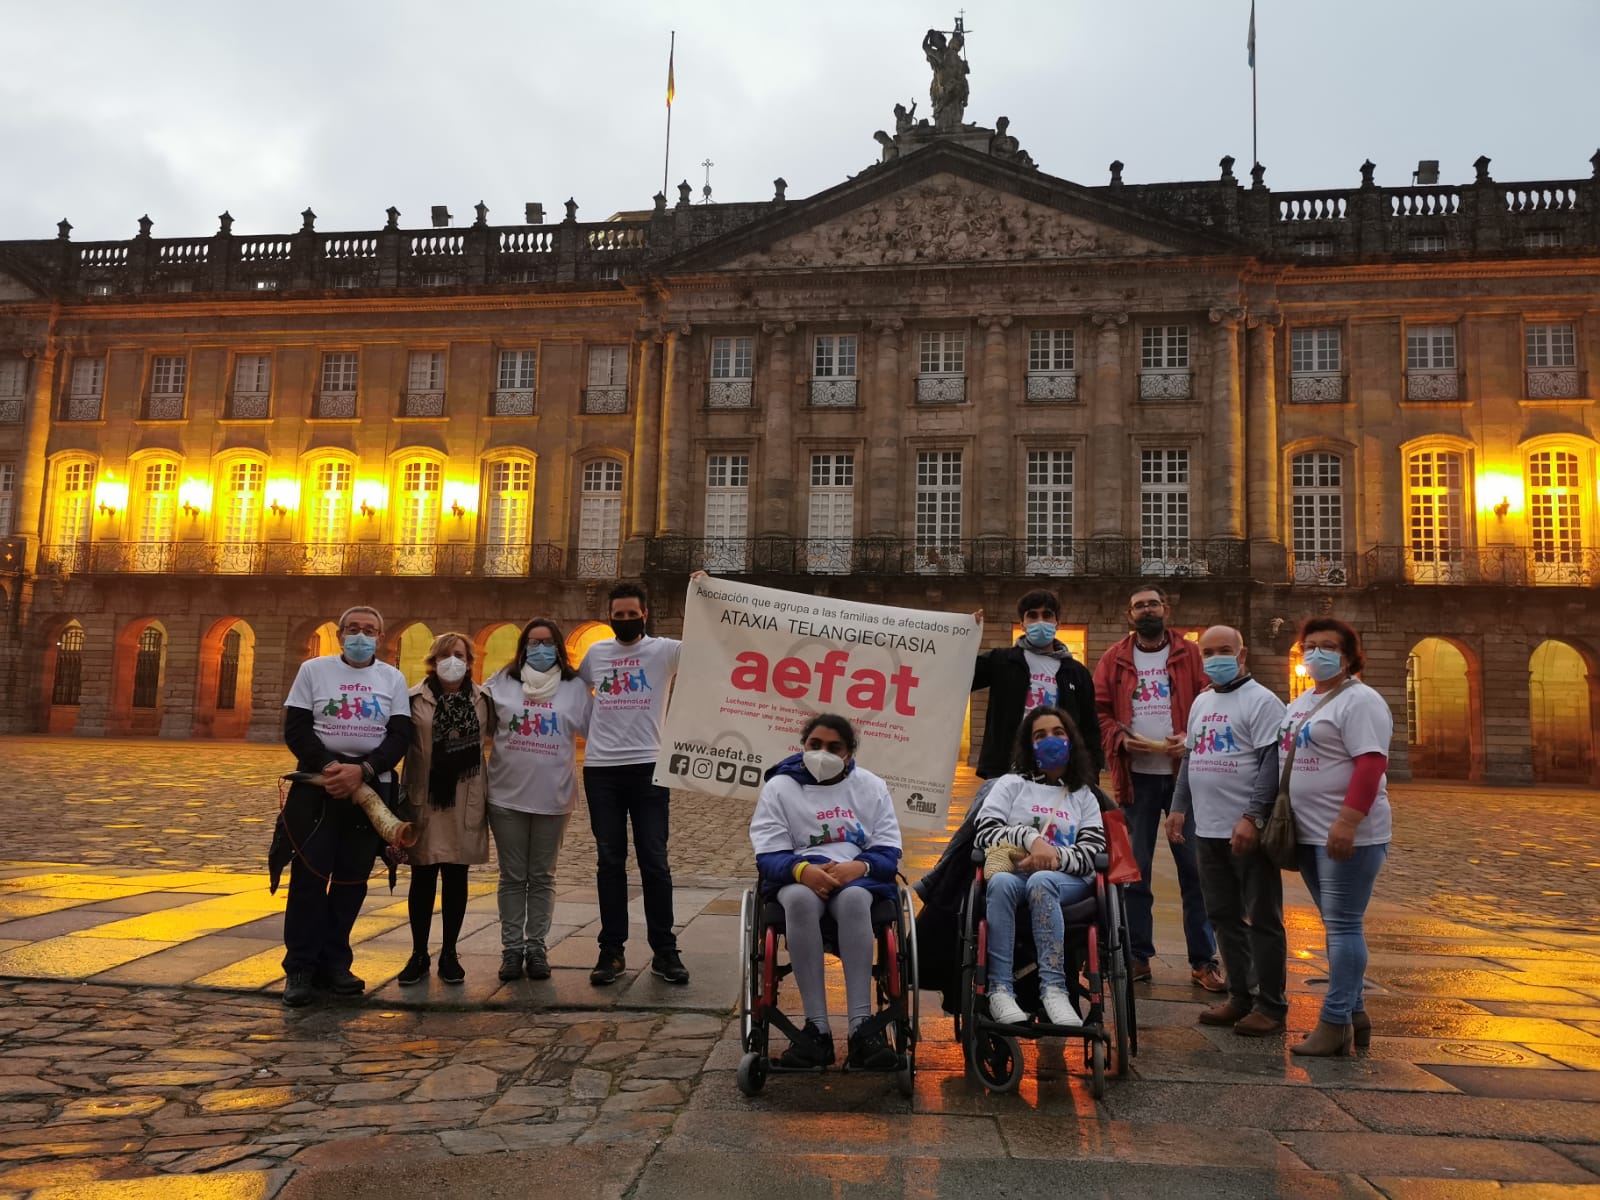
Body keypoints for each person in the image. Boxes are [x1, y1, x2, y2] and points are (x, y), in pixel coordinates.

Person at [750, 713, 903, 1070]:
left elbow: (888, 850)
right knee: (799, 901)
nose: (822, 753)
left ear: (849, 753)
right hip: (798, 875)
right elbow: (768, 854)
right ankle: (815, 1029)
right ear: (803, 745)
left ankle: (861, 1026)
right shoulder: (780, 787)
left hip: (857, 875)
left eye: (834, 747)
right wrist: (802, 872)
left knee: (854, 900)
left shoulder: (871, 786)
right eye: (815, 744)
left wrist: (859, 868)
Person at [279, 605, 412, 1007]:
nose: (360, 635)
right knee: (309, 876)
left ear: (380, 637)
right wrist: (330, 767)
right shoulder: (313, 670)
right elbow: (297, 729)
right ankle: (300, 967)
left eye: (369, 630)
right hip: (319, 785)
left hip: (371, 787)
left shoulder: (392, 678)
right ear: (339, 635)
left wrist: (364, 770)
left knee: (352, 880)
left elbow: (399, 736)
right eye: (353, 629)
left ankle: (335, 963)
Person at [1093, 584, 1224, 991]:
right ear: (1129, 615)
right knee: (1136, 870)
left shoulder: (1191, 653)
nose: (1147, 610)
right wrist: (1118, 737)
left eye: (1153, 603)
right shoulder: (1114, 658)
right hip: (1136, 779)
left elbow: (1214, 701)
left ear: (1166, 609)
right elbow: (1099, 710)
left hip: (1186, 777)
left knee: (1195, 869)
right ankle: (1137, 956)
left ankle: (1204, 960)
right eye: (1139, 606)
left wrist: (1192, 738)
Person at [1165, 625, 1289, 1036]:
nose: (1216, 658)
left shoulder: (1262, 701)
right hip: (1207, 828)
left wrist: (1253, 817)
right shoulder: (1202, 701)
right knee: (1222, 915)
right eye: (1208, 652)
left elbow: (1271, 763)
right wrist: (1179, 808)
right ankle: (1240, 996)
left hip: (1245, 830)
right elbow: (1191, 758)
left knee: (1262, 917)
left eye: (1224, 650)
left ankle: (1270, 1005)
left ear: (1242, 654)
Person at [1281, 617, 1393, 1057]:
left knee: (1344, 925)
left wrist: (1348, 821)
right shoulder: (1303, 700)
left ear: (1348, 656)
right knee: (1334, 924)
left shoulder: (1360, 701)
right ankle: (1355, 1012)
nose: (1316, 653)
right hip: (1309, 833)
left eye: (1328, 646)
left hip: (1347, 833)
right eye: (1309, 645)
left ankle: (1334, 1022)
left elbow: (1371, 763)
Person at [579, 581, 688, 986]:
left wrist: (704, 591)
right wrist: (591, 730)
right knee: (610, 861)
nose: (625, 620)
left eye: (631, 614)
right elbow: (575, 691)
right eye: (618, 615)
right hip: (601, 770)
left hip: (648, 768)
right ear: (610, 616)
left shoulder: (663, 651)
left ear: (645, 614)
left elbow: (708, 648)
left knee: (654, 860)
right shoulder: (596, 654)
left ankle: (665, 949)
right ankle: (611, 950)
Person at [974, 705, 1107, 1028]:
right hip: (1017, 874)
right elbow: (984, 832)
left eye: (1058, 733)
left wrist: (1054, 858)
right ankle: (1000, 989)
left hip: (1067, 880)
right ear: (1029, 744)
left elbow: (1093, 851)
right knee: (1000, 883)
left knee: (1042, 880)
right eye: (1040, 735)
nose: (1051, 740)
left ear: (1070, 740)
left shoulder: (1083, 794)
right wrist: (1030, 839)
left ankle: (1054, 989)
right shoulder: (1010, 784)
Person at [484, 618, 592, 982]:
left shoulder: (575, 688)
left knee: (543, 876)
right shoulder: (502, 681)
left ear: (559, 647)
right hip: (506, 797)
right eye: (533, 642)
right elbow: (475, 719)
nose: (540, 648)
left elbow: (598, 731)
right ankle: (511, 948)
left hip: (553, 797)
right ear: (523, 647)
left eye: (547, 642)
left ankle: (536, 946)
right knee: (512, 876)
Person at [397, 632, 491, 987]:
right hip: (425, 798)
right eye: (444, 655)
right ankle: (418, 953)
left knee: (456, 877)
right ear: (433, 661)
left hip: (465, 799)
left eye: (460, 655)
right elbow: (394, 742)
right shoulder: (412, 700)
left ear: (469, 661)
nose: (452, 661)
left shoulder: (484, 701)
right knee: (422, 877)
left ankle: (450, 952)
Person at [971, 588, 1102, 781]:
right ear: (1023, 624)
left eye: (1047, 615)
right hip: (1006, 769)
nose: (1040, 621)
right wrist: (966, 634)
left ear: (1057, 622)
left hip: (1059, 770)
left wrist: (1090, 774)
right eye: (1032, 615)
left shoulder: (1076, 672)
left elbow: (1090, 728)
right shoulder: (1001, 660)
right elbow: (960, 677)